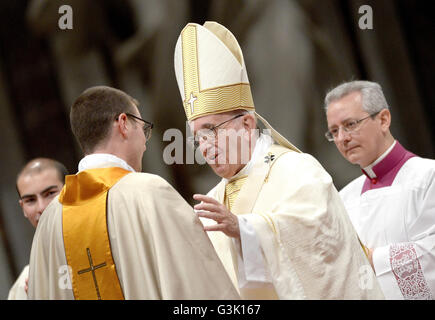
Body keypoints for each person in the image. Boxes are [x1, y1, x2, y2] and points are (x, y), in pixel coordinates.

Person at [173, 21, 384, 299]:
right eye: (197, 137)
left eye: (211, 130)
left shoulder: (297, 169)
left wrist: (246, 230)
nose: (205, 146)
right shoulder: (213, 202)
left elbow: (324, 242)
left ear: (247, 124)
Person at [27, 85, 239, 300]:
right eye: (144, 129)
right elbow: (200, 290)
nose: (146, 143)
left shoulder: (50, 222)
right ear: (124, 124)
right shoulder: (150, 194)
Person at [324, 80, 435, 300]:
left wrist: (372, 260)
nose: (342, 138)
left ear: (383, 120)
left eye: (350, 124)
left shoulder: (428, 176)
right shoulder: (343, 199)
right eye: (333, 131)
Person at [8, 158, 67, 300]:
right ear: (23, 208)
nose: (41, 207)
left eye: (50, 193)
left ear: (71, 190)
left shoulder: (104, 246)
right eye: (30, 200)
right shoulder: (26, 282)